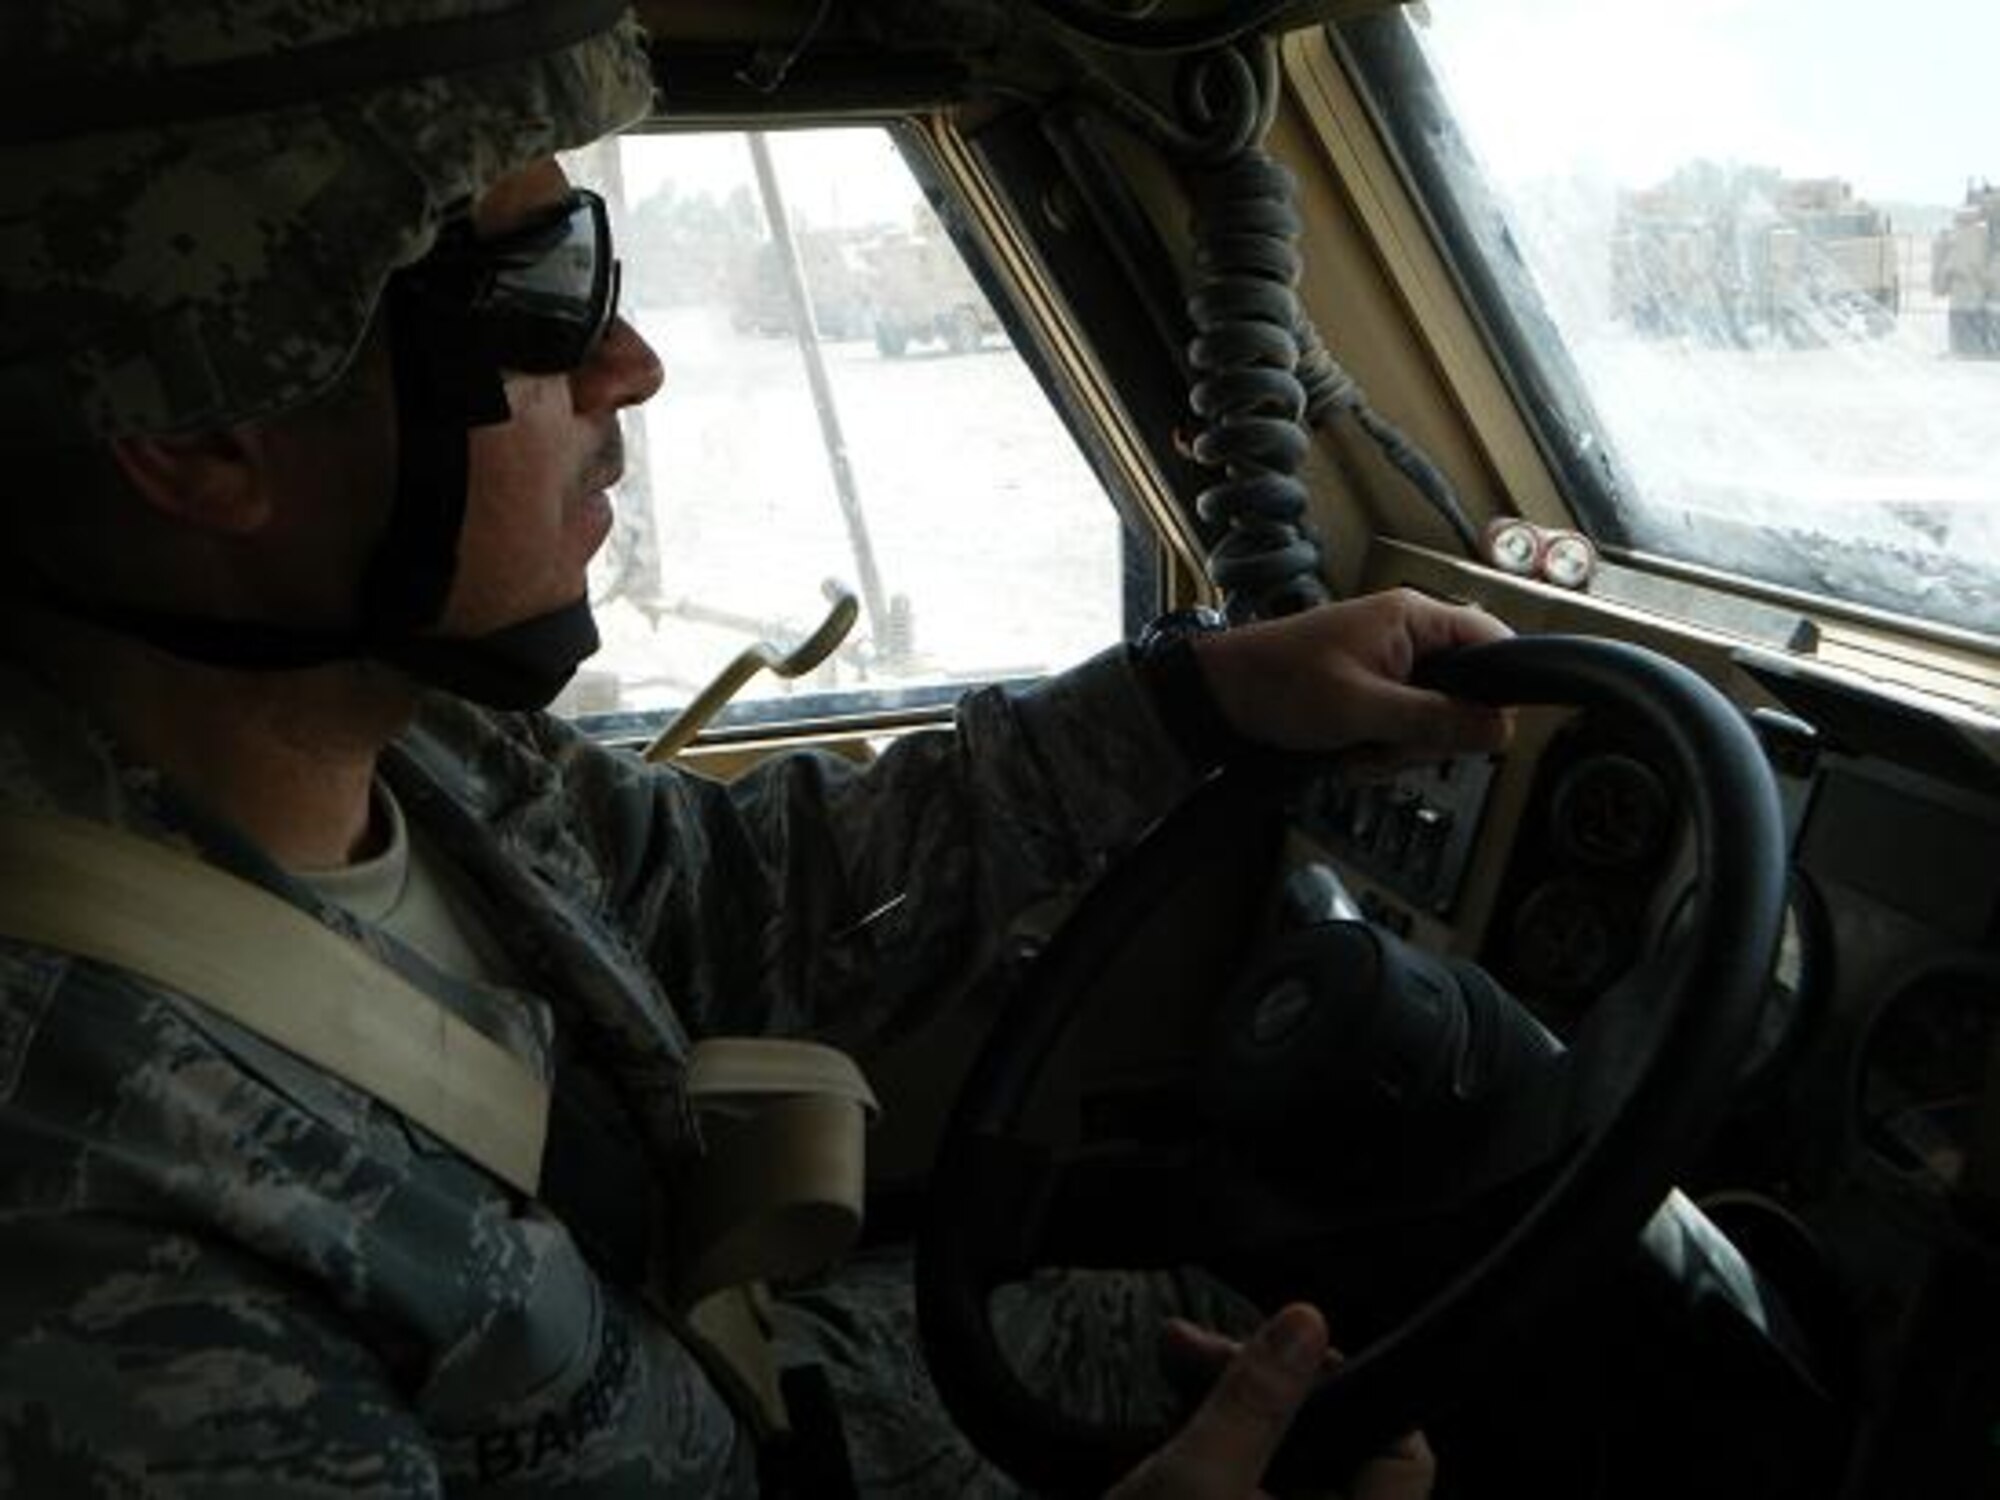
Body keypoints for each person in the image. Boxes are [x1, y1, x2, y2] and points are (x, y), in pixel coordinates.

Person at [0, 3, 1506, 1494]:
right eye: (541, 292)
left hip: (745, 1384)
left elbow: (737, 892)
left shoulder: (416, 751)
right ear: (207, 430)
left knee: (1305, 1352)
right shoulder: (90, 1234)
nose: (633, 363)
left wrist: (1206, 696)